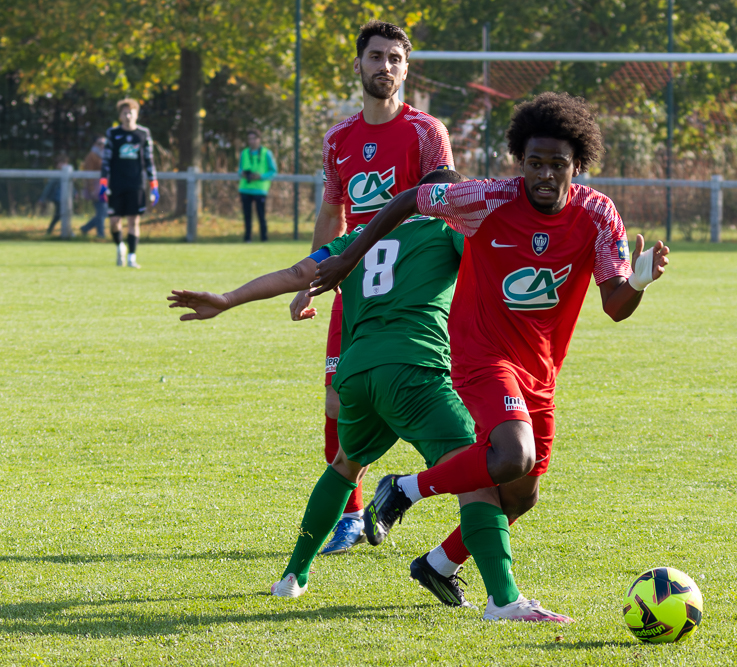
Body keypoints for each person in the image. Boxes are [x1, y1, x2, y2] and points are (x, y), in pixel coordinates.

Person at [309, 92, 669, 619]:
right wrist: (345, 257)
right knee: (512, 454)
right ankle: (404, 489)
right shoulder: (486, 200)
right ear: (519, 161)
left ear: (579, 165)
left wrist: (637, 280)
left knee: (521, 496)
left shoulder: (597, 213)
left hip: (540, 368)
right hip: (480, 353)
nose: (546, 175)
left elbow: (615, 306)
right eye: (535, 163)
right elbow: (410, 199)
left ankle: (438, 563)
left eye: (558, 165)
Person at [168, 169, 564, 622]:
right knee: (476, 475)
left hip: (356, 372)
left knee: (345, 465)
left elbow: (299, 272)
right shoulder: (448, 227)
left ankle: (292, 577)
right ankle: (504, 600)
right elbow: (499, 263)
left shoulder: (358, 237)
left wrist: (228, 298)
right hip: (414, 369)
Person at [288, 19, 454, 556]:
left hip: (409, 293)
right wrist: (311, 282)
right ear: (357, 64)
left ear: (405, 69)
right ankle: (352, 515)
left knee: (412, 395)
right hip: (354, 288)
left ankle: (401, 492)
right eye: (376, 57)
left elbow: (445, 205)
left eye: (395, 59)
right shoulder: (338, 138)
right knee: (338, 403)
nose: (385, 66)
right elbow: (332, 213)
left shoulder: (426, 132)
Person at [100, 98, 159, 269]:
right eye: (124, 112)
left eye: (130, 112)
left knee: (134, 221)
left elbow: (149, 161)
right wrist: (103, 182)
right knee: (114, 221)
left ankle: (132, 257)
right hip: (116, 185)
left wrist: (154, 185)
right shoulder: (112, 133)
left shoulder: (143, 134)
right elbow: (106, 160)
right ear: (120, 115)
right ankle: (120, 247)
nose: (128, 115)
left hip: (136, 184)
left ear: (137, 114)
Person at [238, 130, 277, 242]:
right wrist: (243, 173)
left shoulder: (266, 153)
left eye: (254, 138)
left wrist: (260, 176)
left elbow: (273, 171)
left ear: (259, 139)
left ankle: (264, 238)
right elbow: (239, 170)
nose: (252, 141)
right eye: (249, 139)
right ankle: (247, 238)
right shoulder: (244, 153)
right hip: (245, 188)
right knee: (247, 216)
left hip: (260, 189)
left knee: (261, 215)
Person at [80, 137, 108, 238]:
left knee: (105, 212)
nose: (102, 145)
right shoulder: (91, 156)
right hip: (96, 188)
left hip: (105, 187)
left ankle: (85, 228)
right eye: (100, 143)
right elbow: (89, 175)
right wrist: (91, 190)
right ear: (95, 144)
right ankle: (101, 234)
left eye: (104, 143)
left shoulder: (106, 155)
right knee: (102, 211)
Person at [40, 154, 72, 235]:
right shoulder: (56, 175)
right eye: (60, 163)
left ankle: (54, 231)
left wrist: (75, 193)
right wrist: (42, 199)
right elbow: (48, 188)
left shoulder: (69, 173)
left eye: (64, 163)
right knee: (60, 214)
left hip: (66, 198)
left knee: (64, 214)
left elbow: (71, 187)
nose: (62, 165)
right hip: (58, 199)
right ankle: (64, 232)